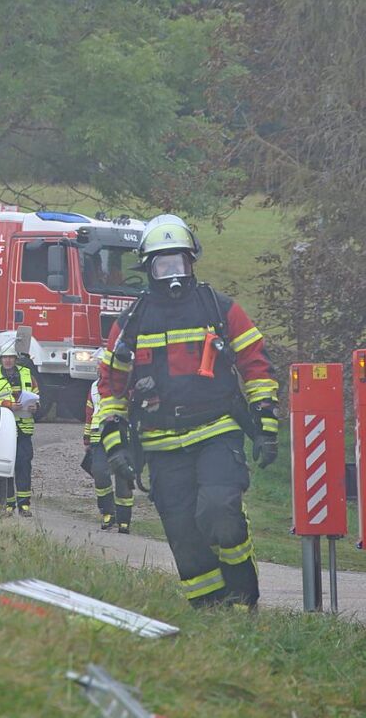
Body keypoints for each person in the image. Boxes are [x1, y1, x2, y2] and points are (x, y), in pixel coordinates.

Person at [97, 214, 279, 609]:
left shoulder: (218, 309)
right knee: (183, 534)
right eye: (162, 266)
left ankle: (243, 598)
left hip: (216, 431)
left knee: (220, 512)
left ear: (191, 262)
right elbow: (110, 389)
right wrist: (115, 446)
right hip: (161, 445)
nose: (172, 275)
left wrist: (265, 423)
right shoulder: (131, 324)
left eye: (178, 263)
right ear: (148, 269)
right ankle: (209, 613)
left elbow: (256, 364)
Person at [0, 343, 39, 517]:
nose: (8, 360)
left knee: (23, 465)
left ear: (16, 359)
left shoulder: (27, 374)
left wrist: (36, 406)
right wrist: (8, 404)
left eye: (11, 357)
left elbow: (36, 394)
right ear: (1, 359)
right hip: (4, 427)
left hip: (24, 428)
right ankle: (8, 504)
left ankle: (24, 505)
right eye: (5, 357)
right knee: (6, 466)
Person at [83, 377, 133, 532]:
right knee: (99, 472)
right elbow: (90, 413)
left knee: (123, 477)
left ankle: (124, 519)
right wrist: (87, 438)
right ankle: (107, 512)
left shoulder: (127, 383)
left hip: (123, 435)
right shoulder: (94, 387)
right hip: (99, 437)